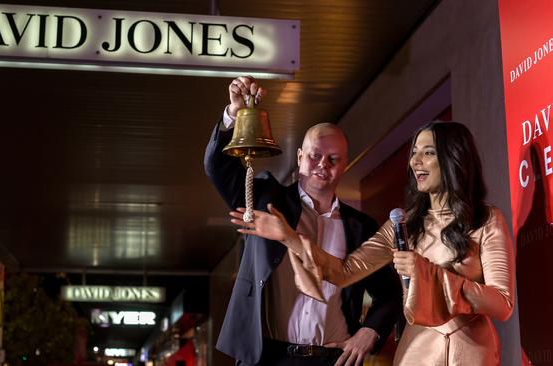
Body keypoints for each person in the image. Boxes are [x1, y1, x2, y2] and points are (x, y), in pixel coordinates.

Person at [230, 121, 515, 365]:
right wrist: (289, 237)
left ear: (454, 159)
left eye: (428, 153)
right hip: (415, 351)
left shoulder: (487, 220)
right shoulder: (402, 224)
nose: (415, 161)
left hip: (470, 350)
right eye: (414, 153)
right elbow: (342, 272)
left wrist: (427, 272)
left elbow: (502, 305)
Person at [205, 76, 403, 366]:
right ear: (299, 158)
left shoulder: (361, 227)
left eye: (334, 159)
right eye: (315, 156)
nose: (323, 165)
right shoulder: (263, 200)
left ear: (344, 166)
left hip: (333, 359)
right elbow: (217, 167)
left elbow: (389, 294)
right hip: (268, 358)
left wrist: (369, 331)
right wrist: (233, 114)